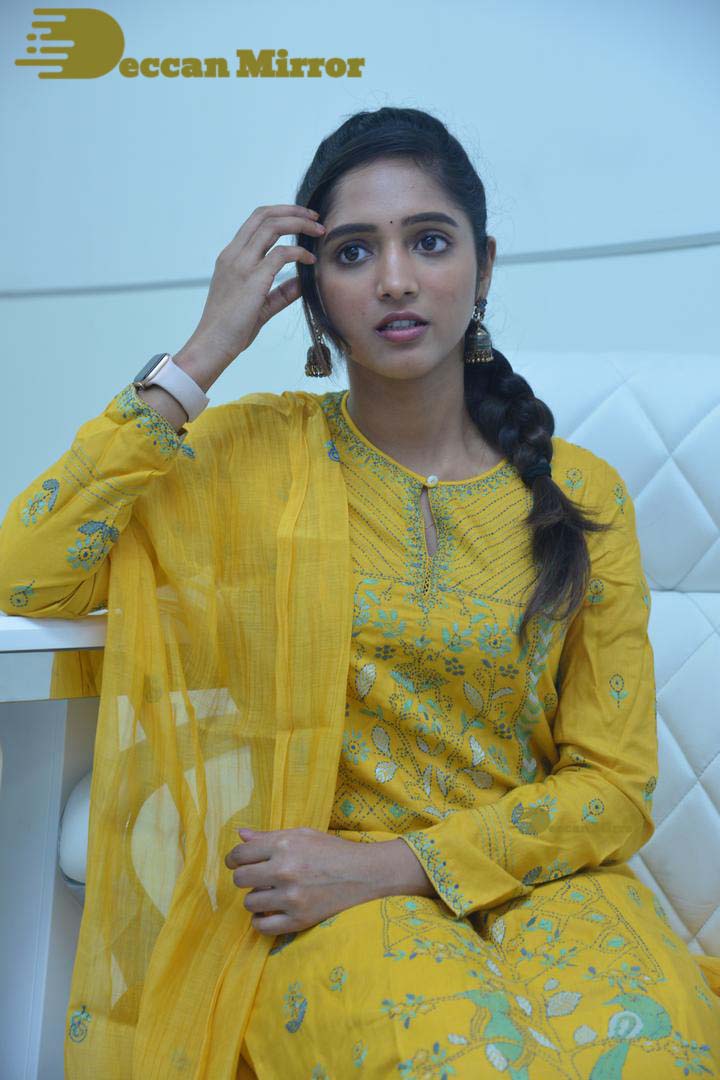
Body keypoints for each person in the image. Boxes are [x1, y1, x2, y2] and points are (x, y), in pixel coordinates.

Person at [1, 106, 718, 1079]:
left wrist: (403, 864)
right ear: (312, 296)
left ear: (484, 267)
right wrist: (202, 351)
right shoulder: (246, 457)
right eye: (352, 253)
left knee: (650, 1056)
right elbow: (29, 570)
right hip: (325, 896)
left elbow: (613, 787)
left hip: (543, 882)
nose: (394, 279)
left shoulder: (578, 491)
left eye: (429, 241)